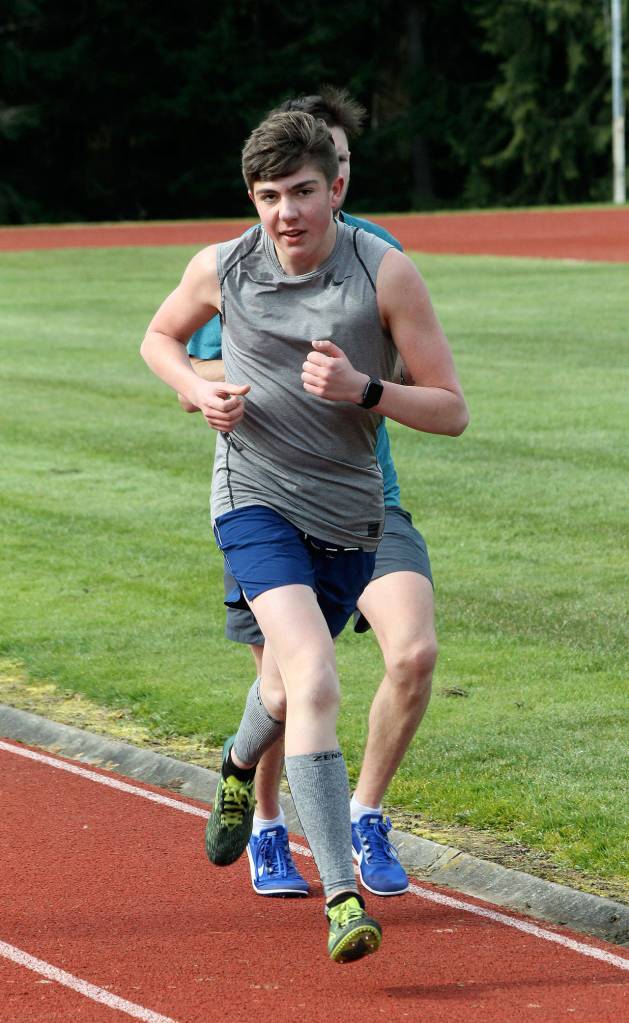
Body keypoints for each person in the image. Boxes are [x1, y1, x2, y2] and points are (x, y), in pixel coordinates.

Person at [140, 110, 468, 963]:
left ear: (337, 189)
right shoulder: (222, 265)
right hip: (251, 500)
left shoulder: (384, 274)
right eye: (267, 195)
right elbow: (158, 336)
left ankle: (238, 763)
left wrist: (364, 389)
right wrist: (194, 387)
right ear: (251, 197)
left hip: (351, 510)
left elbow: (451, 409)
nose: (284, 213)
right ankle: (341, 896)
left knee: (286, 694)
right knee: (313, 674)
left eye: (302, 192)